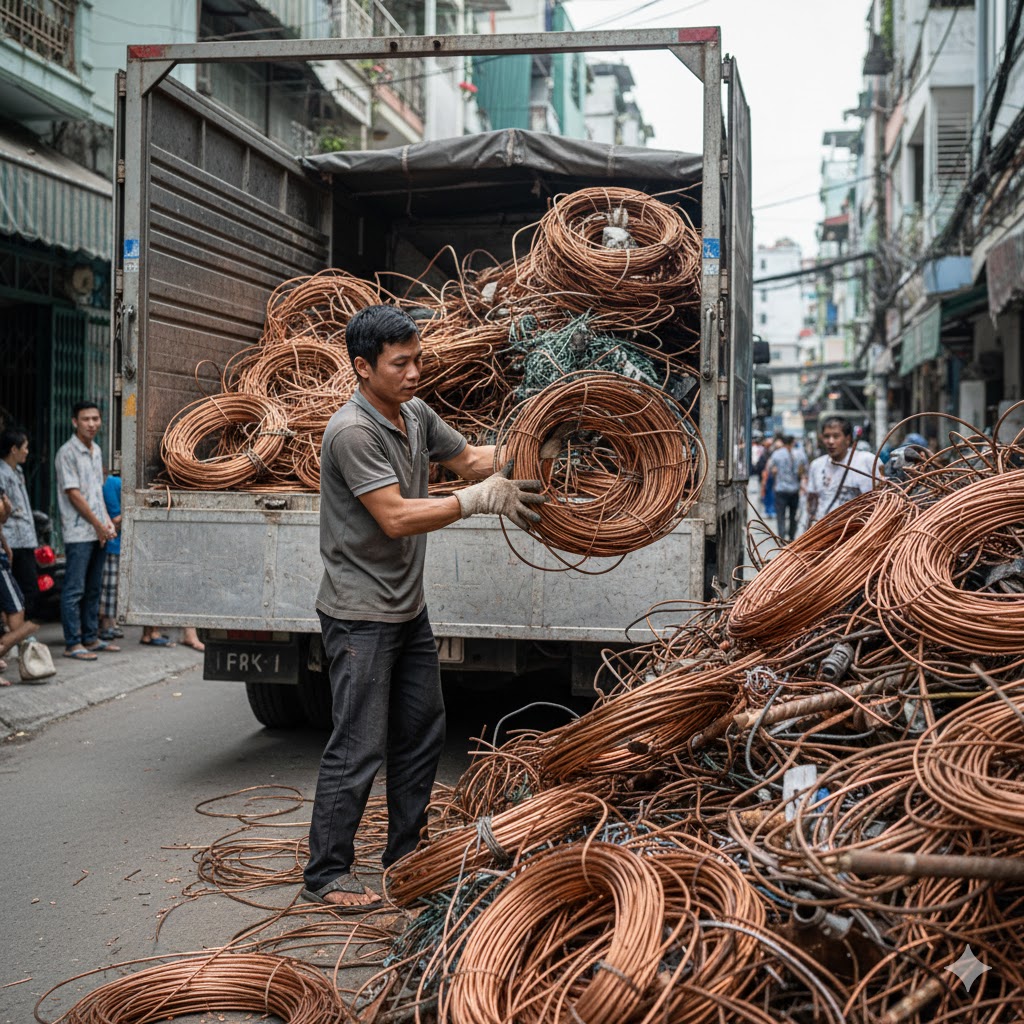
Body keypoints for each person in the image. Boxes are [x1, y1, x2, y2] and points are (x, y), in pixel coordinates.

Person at [301, 304, 547, 909]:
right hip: (360, 614)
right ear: (363, 367)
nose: (415, 372)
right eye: (401, 363)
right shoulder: (352, 431)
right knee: (358, 743)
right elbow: (395, 517)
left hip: (406, 609)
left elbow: (471, 461)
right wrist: (475, 502)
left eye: (418, 359)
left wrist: (539, 444)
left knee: (420, 731)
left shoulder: (413, 414)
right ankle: (326, 874)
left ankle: (406, 858)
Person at [55, 402, 119, 661]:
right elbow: (74, 495)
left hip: (97, 530)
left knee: (94, 588)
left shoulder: (97, 451)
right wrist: (97, 524)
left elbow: (96, 493)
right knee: (74, 589)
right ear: (74, 422)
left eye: (95, 419)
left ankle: (91, 638)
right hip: (79, 532)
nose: (92, 424)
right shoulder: (67, 452)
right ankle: (73, 642)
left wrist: (107, 523)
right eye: (86, 419)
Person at [805, 416, 876, 527]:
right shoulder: (817, 465)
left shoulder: (866, 461)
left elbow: (878, 500)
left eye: (836, 436)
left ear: (848, 439)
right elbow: (812, 503)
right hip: (822, 533)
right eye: (826, 436)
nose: (830, 441)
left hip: (856, 533)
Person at [0, 429, 40, 618]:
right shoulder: (2, 473)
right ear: (13, 449)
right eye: (24, 448)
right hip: (11, 540)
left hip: (24, 538)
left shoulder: (18, 471)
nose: (27, 451)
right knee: (20, 588)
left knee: (28, 588)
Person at [766, 435, 807, 542]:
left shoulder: (776, 454)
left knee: (781, 515)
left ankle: (781, 537)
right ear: (793, 442)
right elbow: (805, 469)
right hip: (794, 489)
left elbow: (770, 468)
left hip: (781, 489)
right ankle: (792, 536)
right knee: (793, 515)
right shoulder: (800, 454)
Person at [99, 472, 124, 642]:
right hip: (113, 543)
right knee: (110, 587)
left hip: (118, 543)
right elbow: (116, 519)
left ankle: (112, 623)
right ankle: (107, 624)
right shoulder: (111, 483)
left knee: (114, 587)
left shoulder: (115, 483)